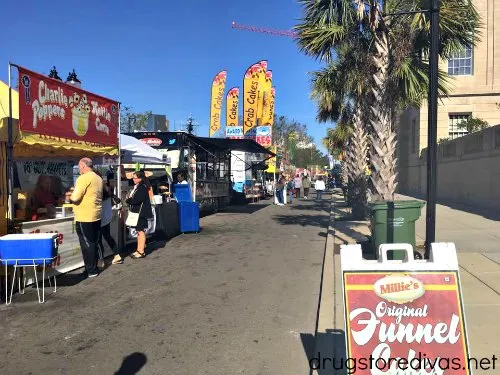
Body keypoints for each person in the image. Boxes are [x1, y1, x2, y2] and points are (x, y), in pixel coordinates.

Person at [69, 158, 103, 278]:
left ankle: (91, 270)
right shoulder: (98, 178)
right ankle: (93, 267)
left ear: (83, 166)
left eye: (79, 166)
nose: (79, 169)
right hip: (96, 214)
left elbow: (75, 197)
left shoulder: (83, 178)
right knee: (93, 242)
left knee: (87, 244)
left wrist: (70, 196)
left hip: (85, 216)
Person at [95, 171, 122, 266]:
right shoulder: (106, 187)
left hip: (101, 217)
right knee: (107, 237)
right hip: (107, 216)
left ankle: (100, 260)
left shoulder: (99, 189)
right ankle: (117, 254)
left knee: (98, 240)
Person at [126, 170, 153, 259]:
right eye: (133, 178)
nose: (133, 179)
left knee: (140, 231)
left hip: (141, 213)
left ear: (140, 178)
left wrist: (128, 200)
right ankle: (139, 249)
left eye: (135, 178)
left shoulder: (142, 187)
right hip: (139, 212)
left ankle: (141, 251)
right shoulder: (140, 186)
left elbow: (136, 200)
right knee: (139, 231)